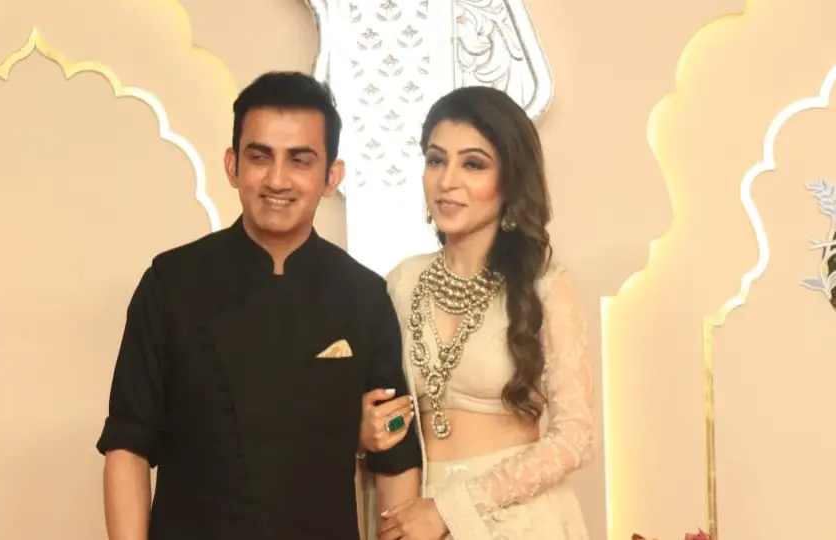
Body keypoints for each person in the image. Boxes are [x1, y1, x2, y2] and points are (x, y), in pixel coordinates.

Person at [95, 71, 421, 540]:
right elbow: (128, 444)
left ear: (331, 176)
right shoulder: (170, 283)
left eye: (300, 160)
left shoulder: (363, 295)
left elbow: (394, 456)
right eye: (259, 156)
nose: (277, 179)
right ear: (232, 166)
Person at [368, 86, 594, 540]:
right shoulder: (402, 282)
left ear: (509, 181)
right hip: (414, 514)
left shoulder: (542, 284)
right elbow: (385, 410)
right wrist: (364, 433)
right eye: (436, 160)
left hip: (515, 519)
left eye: (473, 164)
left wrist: (452, 509)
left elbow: (575, 437)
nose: (447, 180)